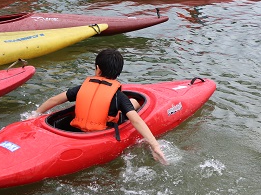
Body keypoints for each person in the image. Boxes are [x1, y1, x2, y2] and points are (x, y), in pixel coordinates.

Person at [33, 49, 168, 164]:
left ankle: (130, 105)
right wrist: (155, 145)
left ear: (98, 69)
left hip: (76, 132)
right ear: (118, 72)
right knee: (133, 103)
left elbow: (54, 100)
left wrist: (35, 114)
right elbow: (136, 120)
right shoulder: (118, 97)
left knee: (124, 105)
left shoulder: (81, 88)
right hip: (99, 135)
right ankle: (133, 104)